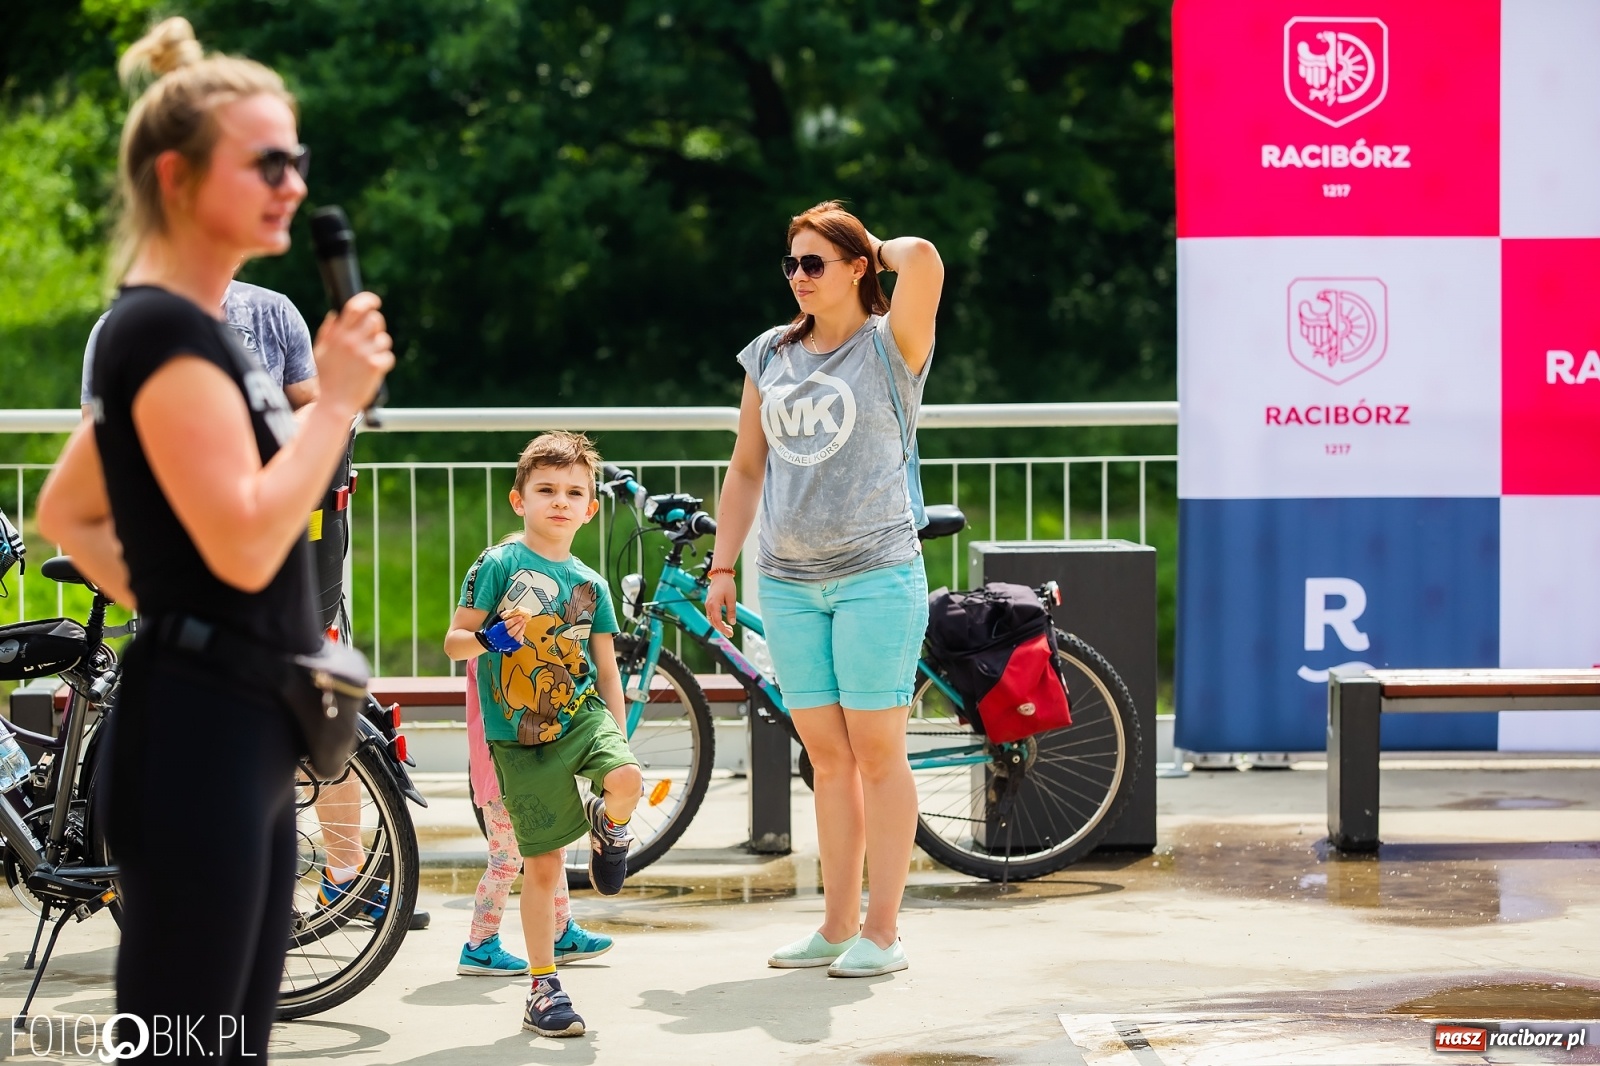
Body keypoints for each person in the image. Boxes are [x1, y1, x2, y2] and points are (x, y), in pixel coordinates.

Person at [35, 17, 392, 1063]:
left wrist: (183, 615)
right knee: (187, 1043)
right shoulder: (161, 331)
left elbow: (68, 507)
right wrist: (339, 405)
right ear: (180, 176)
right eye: (267, 160)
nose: (293, 181)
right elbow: (241, 545)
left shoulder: (184, 329)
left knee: (222, 1038)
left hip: (229, 720)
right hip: (200, 733)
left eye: (299, 159)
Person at [80, 278, 433, 933]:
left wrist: (322, 411)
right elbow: (95, 460)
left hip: (294, 556)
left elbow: (321, 419)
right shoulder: (124, 328)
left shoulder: (273, 313)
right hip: (185, 575)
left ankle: (348, 879)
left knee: (322, 710)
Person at [705, 201, 944, 978]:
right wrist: (722, 564)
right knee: (827, 760)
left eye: (815, 263)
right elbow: (746, 468)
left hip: (876, 573)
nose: (799, 278)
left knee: (878, 755)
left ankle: (885, 933)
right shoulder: (771, 353)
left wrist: (874, 244)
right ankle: (838, 926)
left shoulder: (889, 346)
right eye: (791, 264)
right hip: (789, 584)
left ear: (854, 269)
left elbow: (928, 260)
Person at [444, 431, 641, 1037]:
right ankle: (543, 986)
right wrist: (492, 640)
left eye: (574, 492)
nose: (560, 501)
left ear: (591, 508)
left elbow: (606, 666)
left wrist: (618, 731)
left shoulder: (592, 584)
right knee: (544, 863)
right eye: (546, 490)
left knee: (627, 779)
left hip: (581, 716)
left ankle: (610, 824)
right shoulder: (498, 563)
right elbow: (455, 642)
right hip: (520, 735)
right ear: (518, 499)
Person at [456, 655, 615, 976]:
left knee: (552, 847)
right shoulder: (490, 647)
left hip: (525, 769)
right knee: (505, 860)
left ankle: (561, 930)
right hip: (503, 772)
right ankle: (479, 943)